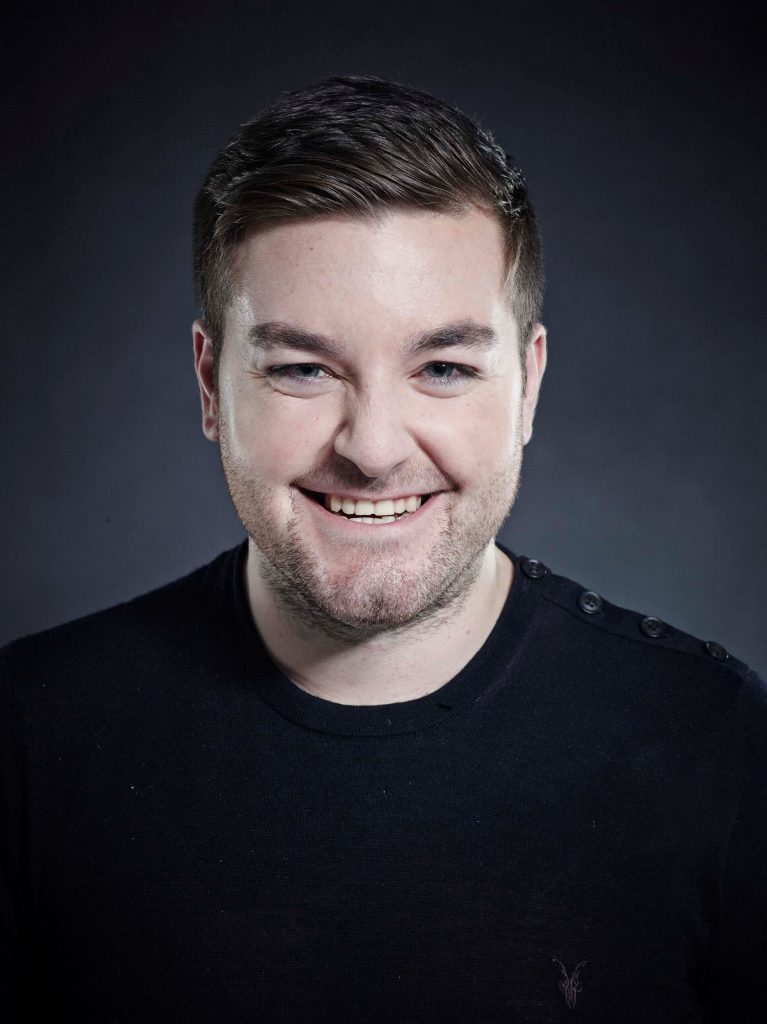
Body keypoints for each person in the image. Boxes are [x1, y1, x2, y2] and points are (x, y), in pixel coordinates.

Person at [1, 75, 765, 1023]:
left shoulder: (719, 745)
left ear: (527, 386)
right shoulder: (30, 738)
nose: (371, 448)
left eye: (442, 367)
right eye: (302, 369)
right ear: (209, 385)